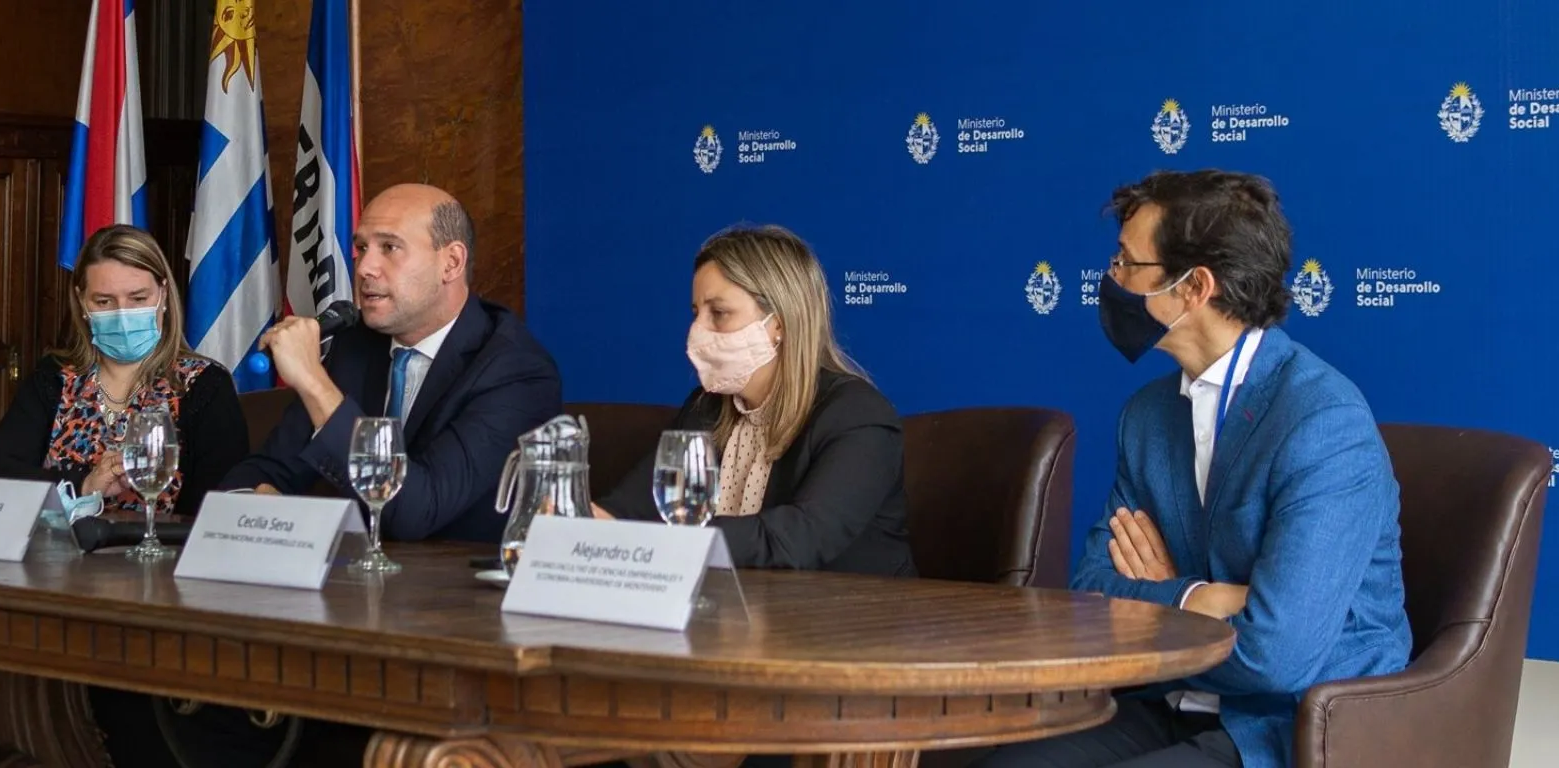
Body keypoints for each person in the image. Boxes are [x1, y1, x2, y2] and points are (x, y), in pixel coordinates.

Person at [977, 170, 1409, 768]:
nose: (1112, 279)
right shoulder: (1147, 415)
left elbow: (1278, 655)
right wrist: (1205, 597)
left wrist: (1160, 600)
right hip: (1168, 704)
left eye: (1129, 263)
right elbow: (1092, 593)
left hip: (1289, 725)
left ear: (1193, 286)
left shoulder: (1323, 424)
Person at [217, 183, 562, 544]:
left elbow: (414, 512)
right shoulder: (355, 347)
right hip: (350, 582)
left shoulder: (515, 371)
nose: (365, 267)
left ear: (451, 262)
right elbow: (268, 469)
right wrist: (255, 506)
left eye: (390, 247)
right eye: (361, 248)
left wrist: (313, 381)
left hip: (455, 592)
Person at [592, 224, 914, 577]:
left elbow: (799, 540)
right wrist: (580, 524)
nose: (696, 331)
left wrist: (660, 540)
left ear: (778, 324)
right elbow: (628, 511)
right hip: (739, 615)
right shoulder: (705, 407)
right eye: (695, 312)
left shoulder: (857, 415)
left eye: (719, 313)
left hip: (856, 621)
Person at [0, 224, 249, 520]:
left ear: (164, 294)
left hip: (162, 559)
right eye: (104, 301)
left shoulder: (204, 385)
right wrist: (84, 485)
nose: (122, 315)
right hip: (57, 557)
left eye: (138, 299)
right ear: (82, 301)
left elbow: (219, 510)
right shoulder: (54, 377)